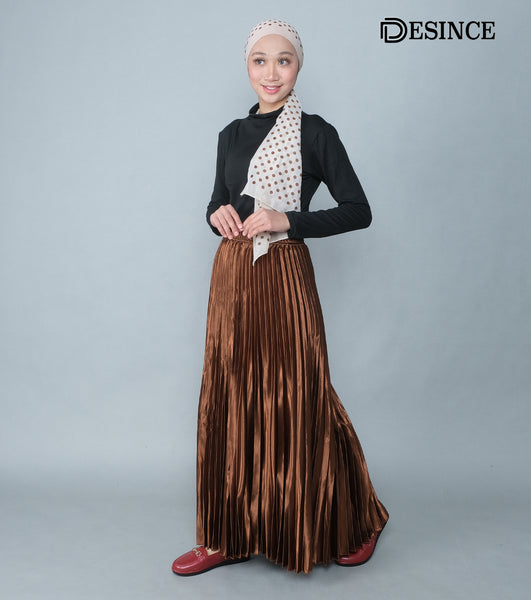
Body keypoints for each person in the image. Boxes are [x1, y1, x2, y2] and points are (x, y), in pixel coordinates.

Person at [172, 19, 389, 576]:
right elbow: (217, 202)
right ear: (247, 67)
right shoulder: (229, 135)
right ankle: (226, 534)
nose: (272, 72)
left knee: (299, 393)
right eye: (260, 60)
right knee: (231, 395)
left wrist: (287, 220)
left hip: (285, 273)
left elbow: (359, 210)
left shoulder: (315, 133)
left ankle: (349, 521)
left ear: (298, 66)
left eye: (284, 60)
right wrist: (216, 215)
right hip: (232, 275)